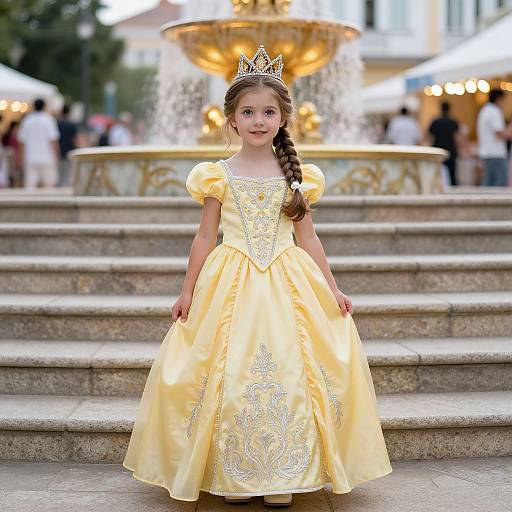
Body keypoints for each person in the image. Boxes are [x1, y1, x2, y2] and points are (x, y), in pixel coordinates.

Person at [122, 44, 393, 507]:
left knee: (291, 367)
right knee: (232, 370)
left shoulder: (298, 177)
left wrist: (332, 287)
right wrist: (187, 292)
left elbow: (309, 239)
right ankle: (238, 472)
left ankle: (283, 474)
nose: (258, 120)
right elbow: (204, 239)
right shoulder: (218, 175)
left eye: (268, 112)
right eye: (247, 112)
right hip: (230, 281)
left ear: (284, 118)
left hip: (289, 281)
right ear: (231, 119)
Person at [17, 98, 60, 189]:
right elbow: (53, 140)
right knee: (49, 187)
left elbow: (22, 142)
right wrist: (56, 156)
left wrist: (20, 158)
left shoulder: (27, 120)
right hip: (47, 158)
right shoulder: (48, 119)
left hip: (30, 158)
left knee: (30, 187)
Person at [477, 89, 512, 186]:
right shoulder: (494, 111)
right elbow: (499, 133)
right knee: (499, 183)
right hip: (495, 153)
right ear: (498, 99)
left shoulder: (485, 110)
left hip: (488, 153)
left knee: (489, 182)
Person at [428, 101, 460, 186]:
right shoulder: (453, 122)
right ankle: (453, 190)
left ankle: (437, 187)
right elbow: (457, 137)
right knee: (452, 173)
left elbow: (430, 137)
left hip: (437, 150)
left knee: (437, 172)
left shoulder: (435, 122)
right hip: (450, 150)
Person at [57, 104, 78, 187]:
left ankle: (60, 186)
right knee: (68, 173)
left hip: (60, 151)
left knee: (60, 172)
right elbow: (75, 139)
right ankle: (65, 187)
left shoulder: (57, 124)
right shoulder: (71, 125)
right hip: (70, 151)